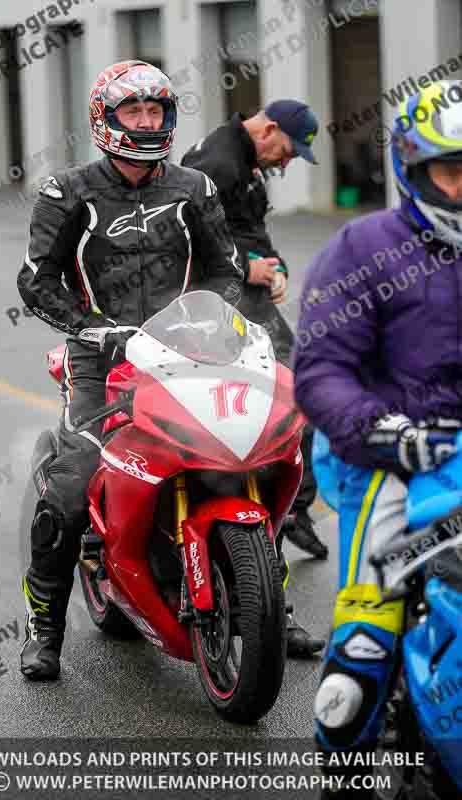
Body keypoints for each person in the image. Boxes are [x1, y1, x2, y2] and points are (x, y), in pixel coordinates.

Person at [16, 61, 245, 681]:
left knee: (247, 450)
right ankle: (45, 629)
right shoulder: (67, 192)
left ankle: (264, 601)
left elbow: (227, 269)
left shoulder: (195, 187)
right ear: (104, 120)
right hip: (100, 361)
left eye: (156, 112)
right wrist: (89, 326)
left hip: (186, 353)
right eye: (132, 112)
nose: (147, 123)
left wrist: (216, 314)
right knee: (67, 490)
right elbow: (36, 281)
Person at [293, 80, 462, 797]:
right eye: (453, 171)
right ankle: (345, 768)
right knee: (364, 644)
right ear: (413, 168)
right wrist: (382, 431)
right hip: (386, 462)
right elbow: (320, 368)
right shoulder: (361, 249)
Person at [182, 101, 327, 657]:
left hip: (247, 297)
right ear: (267, 130)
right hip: (218, 305)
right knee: (291, 398)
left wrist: (275, 268)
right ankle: (285, 511)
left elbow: (250, 230)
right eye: (287, 150)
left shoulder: (245, 163)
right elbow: (192, 240)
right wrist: (249, 270)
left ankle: (291, 511)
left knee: (294, 398)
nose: (287, 161)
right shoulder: (216, 163)